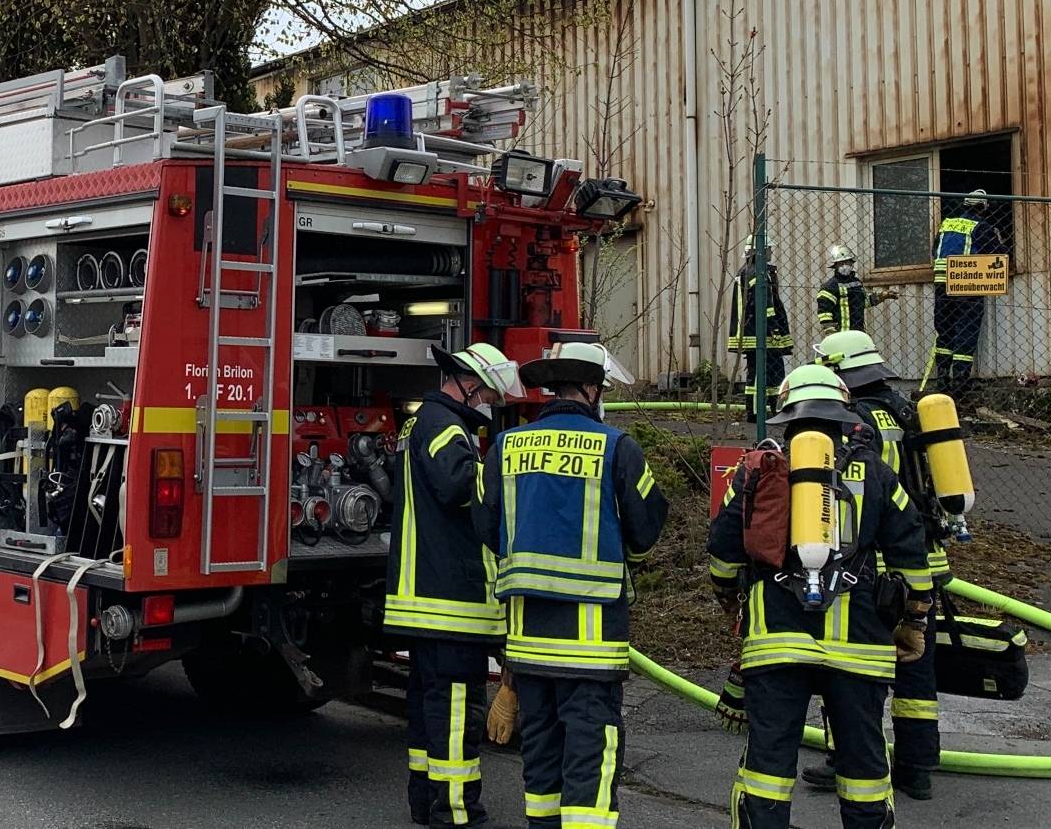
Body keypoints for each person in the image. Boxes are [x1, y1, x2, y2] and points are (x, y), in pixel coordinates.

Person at [707, 365, 935, 829]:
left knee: (768, 766)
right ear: (842, 414)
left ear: (787, 415)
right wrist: (915, 619)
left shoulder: (760, 467)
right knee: (864, 767)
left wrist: (730, 599)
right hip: (860, 647)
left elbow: (724, 549)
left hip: (777, 642)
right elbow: (912, 550)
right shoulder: (876, 472)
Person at [473, 342, 668, 829]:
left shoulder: (505, 446)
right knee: (590, 761)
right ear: (590, 389)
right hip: (591, 648)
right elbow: (646, 528)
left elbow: (485, 527)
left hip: (527, 644)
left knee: (540, 760)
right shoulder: (616, 446)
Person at [807, 330, 951, 800]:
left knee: (851, 666)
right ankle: (917, 766)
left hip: (871, 566)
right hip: (924, 557)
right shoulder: (908, 409)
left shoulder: (851, 421)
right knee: (916, 664)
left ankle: (846, 758)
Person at [388, 343, 522, 826]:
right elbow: (459, 487)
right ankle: (457, 811)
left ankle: (425, 801)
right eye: (485, 392)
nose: (487, 400)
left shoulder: (421, 422)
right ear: (467, 384)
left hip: (425, 596)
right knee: (455, 711)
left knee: (429, 707)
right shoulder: (444, 426)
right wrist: (503, 472)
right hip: (449, 598)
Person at [927, 191, 1006, 392]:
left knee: (944, 331)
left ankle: (943, 377)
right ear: (982, 208)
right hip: (966, 286)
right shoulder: (981, 227)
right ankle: (960, 381)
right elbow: (997, 254)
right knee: (966, 330)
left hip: (941, 286)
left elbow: (935, 251)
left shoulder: (946, 224)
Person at [727, 236, 793, 419]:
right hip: (760, 332)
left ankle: (774, 407)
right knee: (760, 373)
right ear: (759, 251)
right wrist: (775, 329)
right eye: (768, 249)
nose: (771, 252)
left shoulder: (749, 271)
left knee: (772, 370)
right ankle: (757, 412)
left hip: (754, 330)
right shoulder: (757, 273)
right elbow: (765, 305)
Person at [816, 245, 894, 334]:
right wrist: (831, 332)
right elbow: (824, 312)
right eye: (841, 263)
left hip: (858, 332)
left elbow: (861, 303)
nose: (845, 266)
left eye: (847, 262)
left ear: (852, 263)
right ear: (835, 265)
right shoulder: (830, 286)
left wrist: (881, 296)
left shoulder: (857, 283)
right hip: (840, 335)